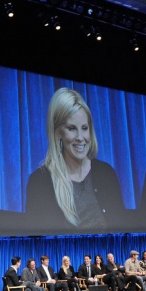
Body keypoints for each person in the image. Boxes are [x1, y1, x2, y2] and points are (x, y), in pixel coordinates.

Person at [25, 88, 125, 231]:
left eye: (84, 128)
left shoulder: (106, 173)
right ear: (57, 132)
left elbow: (120, 232)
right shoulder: (39, 182)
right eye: (72, 128)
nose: (80, 137)